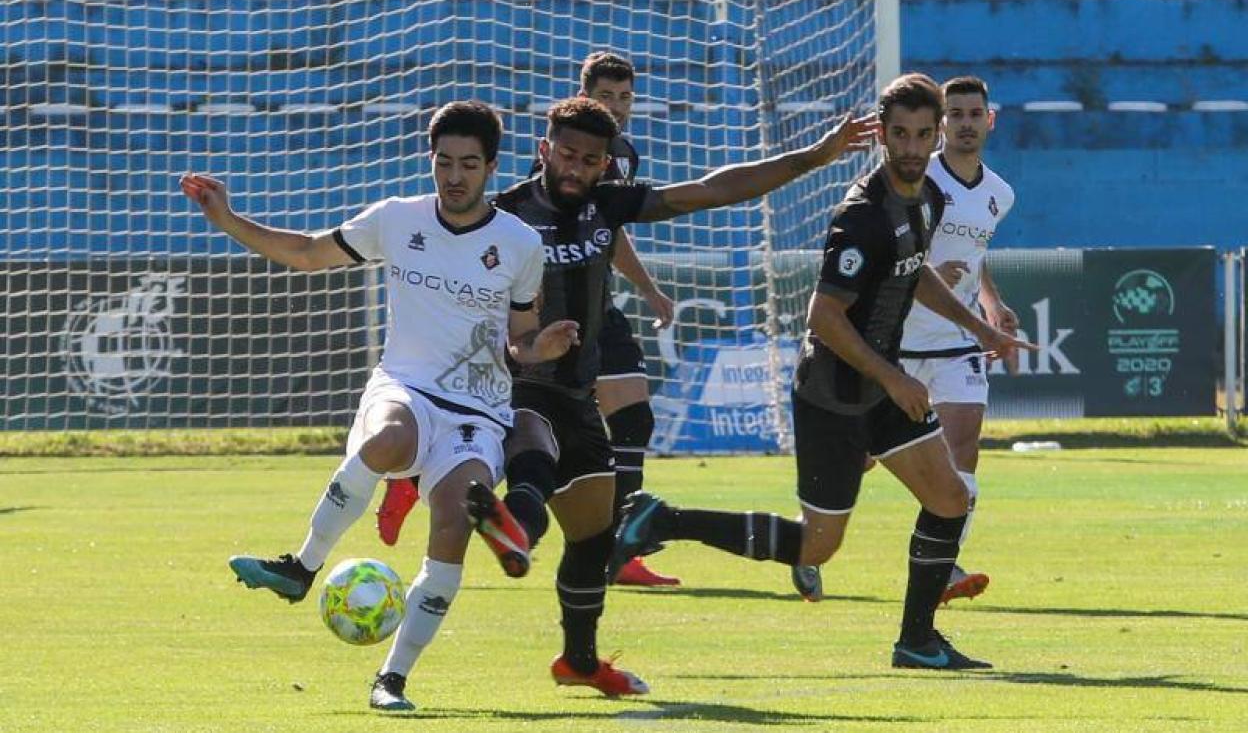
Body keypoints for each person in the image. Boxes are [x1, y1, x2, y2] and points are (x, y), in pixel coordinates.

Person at [608, 74, 1036, 670]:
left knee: (949, 497)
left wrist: (981, 325)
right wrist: (893, 378)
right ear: (881, 136)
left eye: (922, 135)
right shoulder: (860, 214)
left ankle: (917, 640)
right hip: (834, 393)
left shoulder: (928, 199)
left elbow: (917, 274)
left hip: (880, 384)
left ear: (935, 134)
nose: (912, 148)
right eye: (899, 135)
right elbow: (824, 316)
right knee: (817, 545)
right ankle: (667, 519)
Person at [181, 101, 578, 712]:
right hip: (406, 385)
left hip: (478, 411)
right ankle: (302, 566)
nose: (453, 176)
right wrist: (229, 219)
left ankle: (391, 679)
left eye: (468, 164)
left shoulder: (520, 245)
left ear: (491, 168)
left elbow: (519, 340)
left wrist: (538, 345)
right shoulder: (396, 219)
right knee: (386, 439)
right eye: (443, 162)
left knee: (454, 522)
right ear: (431, 160)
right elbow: (312, 252)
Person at [495, 96, 875, 695]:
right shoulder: (503, 217)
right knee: (531, 457)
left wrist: (818, 155)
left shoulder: (606, 205)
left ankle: (580, 661)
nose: (575, 168)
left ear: (605, 165)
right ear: (544, 150)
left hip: (577, 397)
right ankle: (510, 528)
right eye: (566, 154)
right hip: (516, 387)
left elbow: (712, 189)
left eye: (589, 160)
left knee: (594, 538)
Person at [374, 52, 680, 588]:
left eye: (625, 97)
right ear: (584, 95)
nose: (616, 106)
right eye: (606, 96)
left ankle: (608, 538)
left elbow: (610, 230)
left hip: (595, 309)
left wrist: (646, 287)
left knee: (632, 420)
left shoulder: (618, 157)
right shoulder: (547, 174)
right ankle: (424, 474)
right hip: (541, 317)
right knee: (536, 434)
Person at [791, 76, 1018, 606]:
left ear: (990, 120)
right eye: (956, 114)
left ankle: (942, 565)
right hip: (895, 343)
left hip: (957, 339)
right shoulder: (913, 180)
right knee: (859, 465)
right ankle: (807, 546)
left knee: (961, 455)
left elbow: (974, 253)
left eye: (972, 114)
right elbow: (903, 261)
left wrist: (990, 304)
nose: (964, 124)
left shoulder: (999, 194)